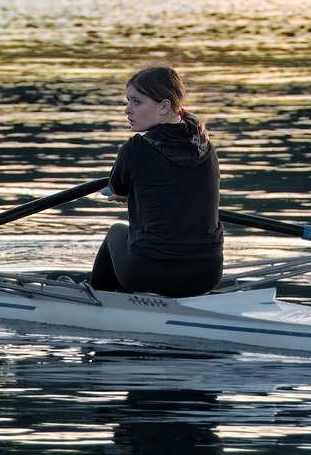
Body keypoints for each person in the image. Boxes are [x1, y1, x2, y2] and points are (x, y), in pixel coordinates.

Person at [91, 66, 223, 297]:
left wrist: (127, 193)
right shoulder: (205, 146)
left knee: (116, 232)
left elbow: (118, 188)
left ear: (164, 106)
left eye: (137, 102)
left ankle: (100, 300)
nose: (127, 109)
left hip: (149, 273)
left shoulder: (135, 148)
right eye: (128, 101)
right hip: (207, 274)